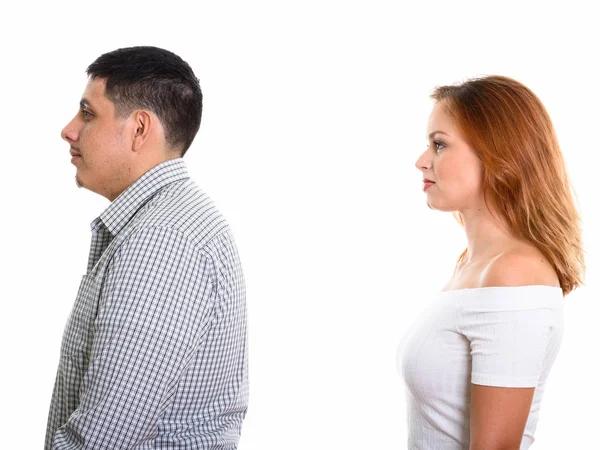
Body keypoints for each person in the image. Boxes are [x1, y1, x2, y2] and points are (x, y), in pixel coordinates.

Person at [45, 46, 248, 449]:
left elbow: (103, 441)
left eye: (88, 113)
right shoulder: (173, 221)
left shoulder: (162, 242)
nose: (68, 130)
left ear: (139, 129)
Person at [398, 75, 585, 449]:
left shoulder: (513, 274)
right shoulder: (475, 266)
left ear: (497, 155)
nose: (421, 162)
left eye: (439, 145)